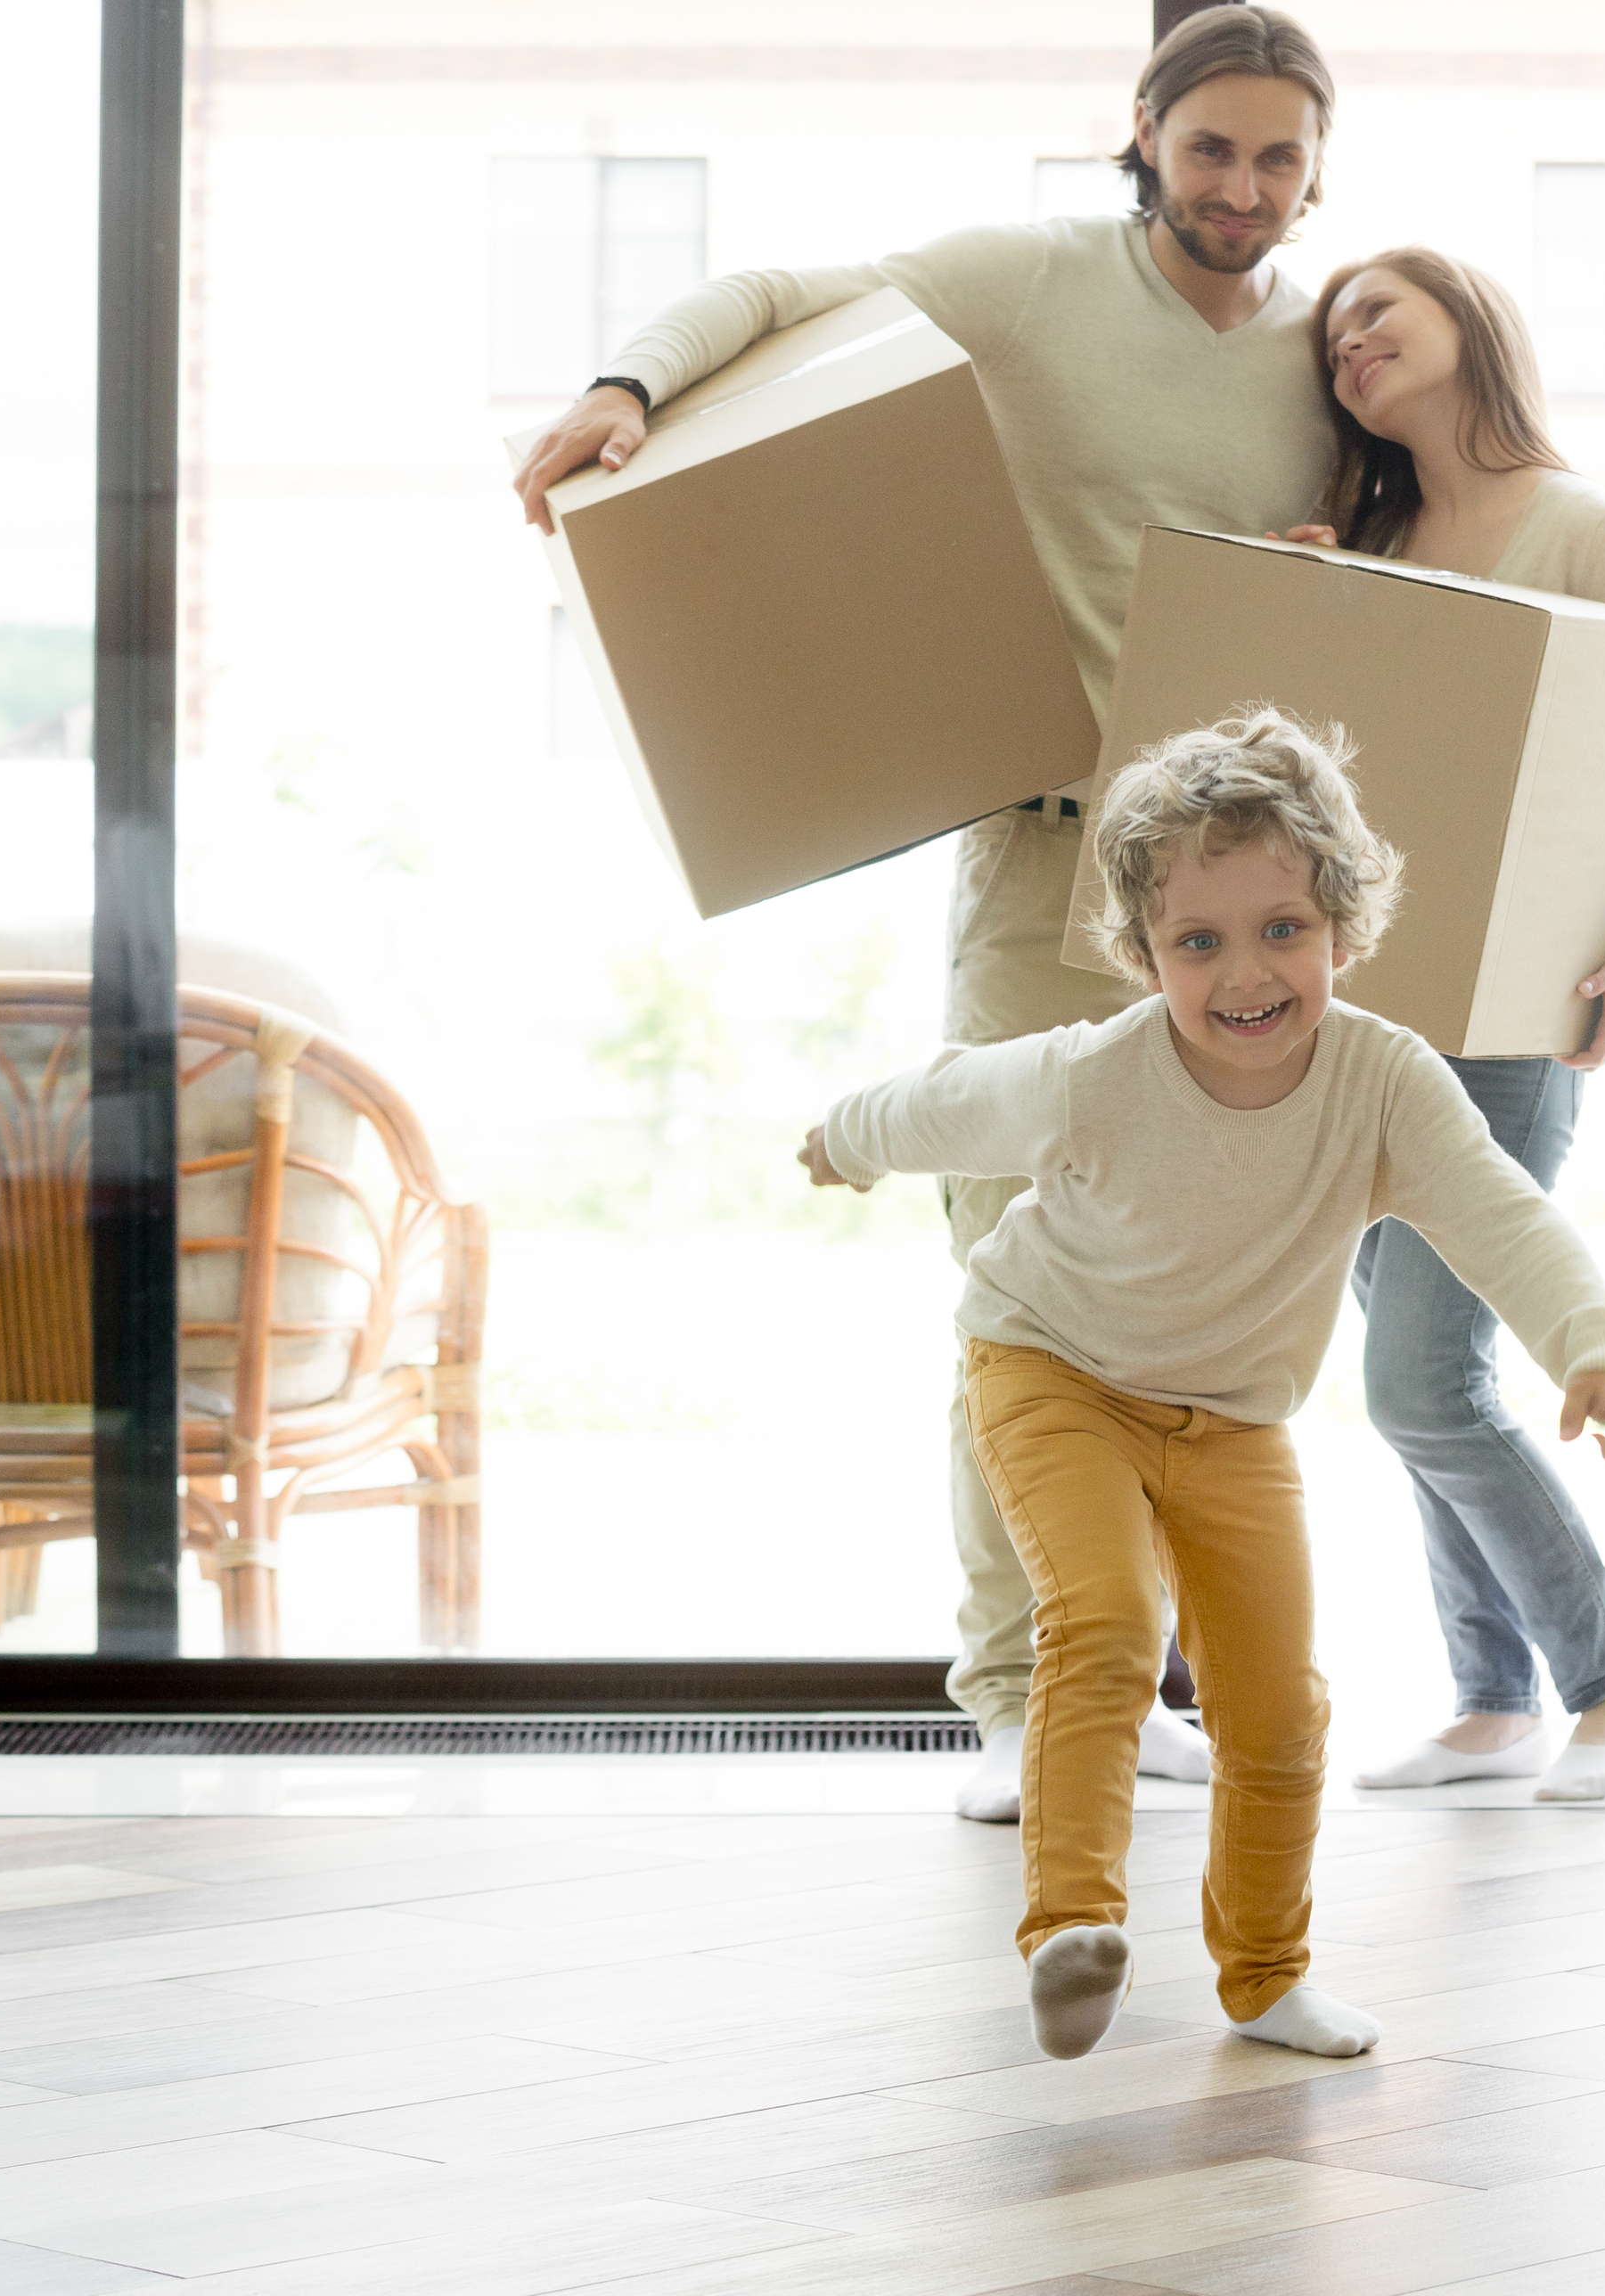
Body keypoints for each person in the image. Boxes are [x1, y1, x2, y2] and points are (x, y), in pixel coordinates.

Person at [507, 9, 1345, 1824]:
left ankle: (1143, 1681)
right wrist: (630, 388)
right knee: (1023, 1281)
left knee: (1194, 1298)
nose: (1245, 190)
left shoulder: (1322, 353)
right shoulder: (1031, 283)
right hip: (1052, 868)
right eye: (1214, 150)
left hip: (1249, 903)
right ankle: (1025, 1692)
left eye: (1281, 158)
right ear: (1146, 133)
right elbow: (779, 291)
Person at [798, 709, 1605, 2061]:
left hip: (1233, 1420)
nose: (1245, 973)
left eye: (1283, 931)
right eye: (1197, 942)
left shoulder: (1383, 1083)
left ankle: (1265, 1977)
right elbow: (944, 1103)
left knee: (1276, 1703)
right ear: (1142, 955)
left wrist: (1596, 1345)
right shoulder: (1099, 1073)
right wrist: (842, 1141)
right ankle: (1073, 1931)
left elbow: (1503, 1217)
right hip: (1053, 1369)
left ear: (1342, 928)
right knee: (1103, 1619)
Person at [1294, 248, 1605, 1803]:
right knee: (1412, 1372)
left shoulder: (1581, 526)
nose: (1348, 344)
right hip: (1371, 1019)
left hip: (1517, 1009)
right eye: (1331, 337)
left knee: (1422, 1379)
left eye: (1377, 313)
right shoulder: (1381, 537)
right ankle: (1493, 1699)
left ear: (1469, 324)